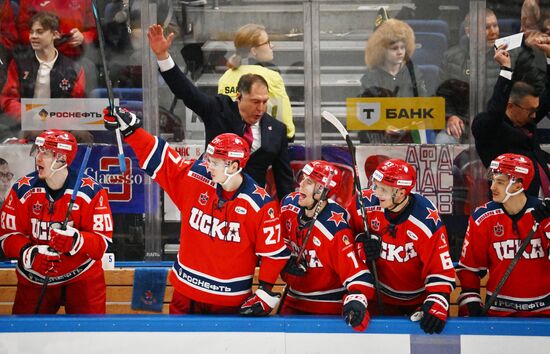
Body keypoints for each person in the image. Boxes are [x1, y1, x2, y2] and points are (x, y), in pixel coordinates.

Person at [103, 106, 290, 315]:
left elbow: (273, 253)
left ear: (234, 166)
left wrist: (265, 290)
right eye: (208, 159)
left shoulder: (260, 205)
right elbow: (163, 160)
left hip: (228, 301)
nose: (207, 165)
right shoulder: (196, 177)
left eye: (215, 162)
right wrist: (131, 130)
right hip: (185, 294)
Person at [147, 24, 293, 201]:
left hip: (249, 210)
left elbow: (285, 184)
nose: (261, 108)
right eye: (255, 102)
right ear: (239, 97)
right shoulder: (218, 110)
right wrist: (163, 57)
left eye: (264, 102)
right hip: (209, 202)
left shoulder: (276, 130)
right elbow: (187, 92)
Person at [0, 129, 112, 314]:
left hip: (82, 277)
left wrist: (77, 240)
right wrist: (30, 253)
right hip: (34, 278)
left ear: (62, 158)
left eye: (45, 153)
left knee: (90, 339)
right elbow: (7, 237)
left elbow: (102, 243)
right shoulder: (21, 190)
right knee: (27, 339)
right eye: (38, 152)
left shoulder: (92, 192)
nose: (38, 158)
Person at [348, 158, 456, 334]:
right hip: (377, 298)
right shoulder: (364, 204)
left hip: (417, 302)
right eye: (375, 186)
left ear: (401, 193)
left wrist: (438, 297)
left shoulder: (425, 219)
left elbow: (439, 266)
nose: (376, 193)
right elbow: (343, 238)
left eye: (383, 189)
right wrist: (360, 242)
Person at [279, 160, 373, 332]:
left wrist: (357, 298)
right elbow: (280, 243)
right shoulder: (288, 206)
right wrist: (285, 259)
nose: (300, 184)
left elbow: (359, 276)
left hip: (328, 308)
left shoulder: (334, 228)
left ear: (322, 190)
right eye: (303, 179)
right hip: (293, 300)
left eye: (308, 182)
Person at [456, 153, 550, 316]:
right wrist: (470, 301)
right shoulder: (483, 217)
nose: (492, 187)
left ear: (519, 185)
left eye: (500, 182)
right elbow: (469, 268)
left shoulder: (544, 213)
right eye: (493, 180)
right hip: (499, 314)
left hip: (544, 313)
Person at [472, 39, 550, 198]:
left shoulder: (527, 119)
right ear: (510, 106)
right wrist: (505, 69)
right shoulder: (488, 127)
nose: (535, 115)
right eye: (531, 111)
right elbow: (495, 112)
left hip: (542, 203)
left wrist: (549, 56)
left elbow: (548, 94)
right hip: (511, 205)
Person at [0, 11, 86, 125]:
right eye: (31, 32)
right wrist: (29, 117)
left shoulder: (74, 68)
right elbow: (8, 99)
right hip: (23, 124)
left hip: (60, 127)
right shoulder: (19, 63)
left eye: (40, 32)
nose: (33, 36)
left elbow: (77, 107)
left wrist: (51, 122)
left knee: (83, 134)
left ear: (55, 34)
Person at [218, 23, 295, 141]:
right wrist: (289, 135)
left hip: (233, 143)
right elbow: (283, 117)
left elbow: (222, 114)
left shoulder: (225, 77)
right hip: (264, 144)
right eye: (267, 42)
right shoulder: (272, 77)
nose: (272, 46)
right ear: (254, 50)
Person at [360, 18, 430, 144]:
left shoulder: (413, 72)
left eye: (403, 47)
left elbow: (424, 104)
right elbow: (366, 115)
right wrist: (383, 127)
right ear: (382, 50)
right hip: (380, 136)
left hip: (409, 134)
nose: (400, 52)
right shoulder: (371, 77)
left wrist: (414, 122)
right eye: (394, 48)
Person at [437, 9, 501, 144]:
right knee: (444, 141)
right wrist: (450, 116)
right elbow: (441, 96)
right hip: (463, 124)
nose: (493, 32)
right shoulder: (451, 57)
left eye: (495, 25)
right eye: (486, 27)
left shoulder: (506, 56)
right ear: (468, 32)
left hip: (496, 124)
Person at [17, 0, 97, 60]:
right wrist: (42, 38)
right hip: (41, 57)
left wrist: (83, 37)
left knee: (90, 71)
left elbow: (94, 30)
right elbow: (22, 30)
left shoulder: (84, 1)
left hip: (76, 57)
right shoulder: (29, 1)